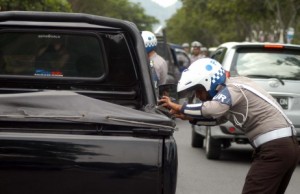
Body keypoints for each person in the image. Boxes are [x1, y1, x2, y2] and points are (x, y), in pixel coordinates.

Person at [159, 58, 300, 194]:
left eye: (199, 90)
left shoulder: (233, 88)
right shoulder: (236, 86)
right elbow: (220, 118)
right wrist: (190, 117)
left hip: (275, 148)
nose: (199, 96)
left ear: (210, 82)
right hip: (285, 147)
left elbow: (212, 109)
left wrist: (179, 107)